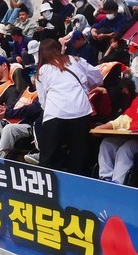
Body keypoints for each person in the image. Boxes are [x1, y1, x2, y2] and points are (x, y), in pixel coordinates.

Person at [34, 38, 103, 175]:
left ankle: (47, 184)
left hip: (55, 112)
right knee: (79, 157)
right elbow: (98, 77)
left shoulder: (42, 70)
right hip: (80, 110)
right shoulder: (75, 60)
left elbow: (43, 101)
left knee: (48, 158)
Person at [0, 66, 42, 158]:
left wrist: (8, 112)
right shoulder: (24, 91)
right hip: (13, 121)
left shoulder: (42, 93)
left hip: (28, 125)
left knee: (9, 129)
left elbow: (30, 110)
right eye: (31, 74)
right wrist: (5, 110)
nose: (33, 76)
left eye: (35, 74)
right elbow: (15, 106)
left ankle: (1, 159)